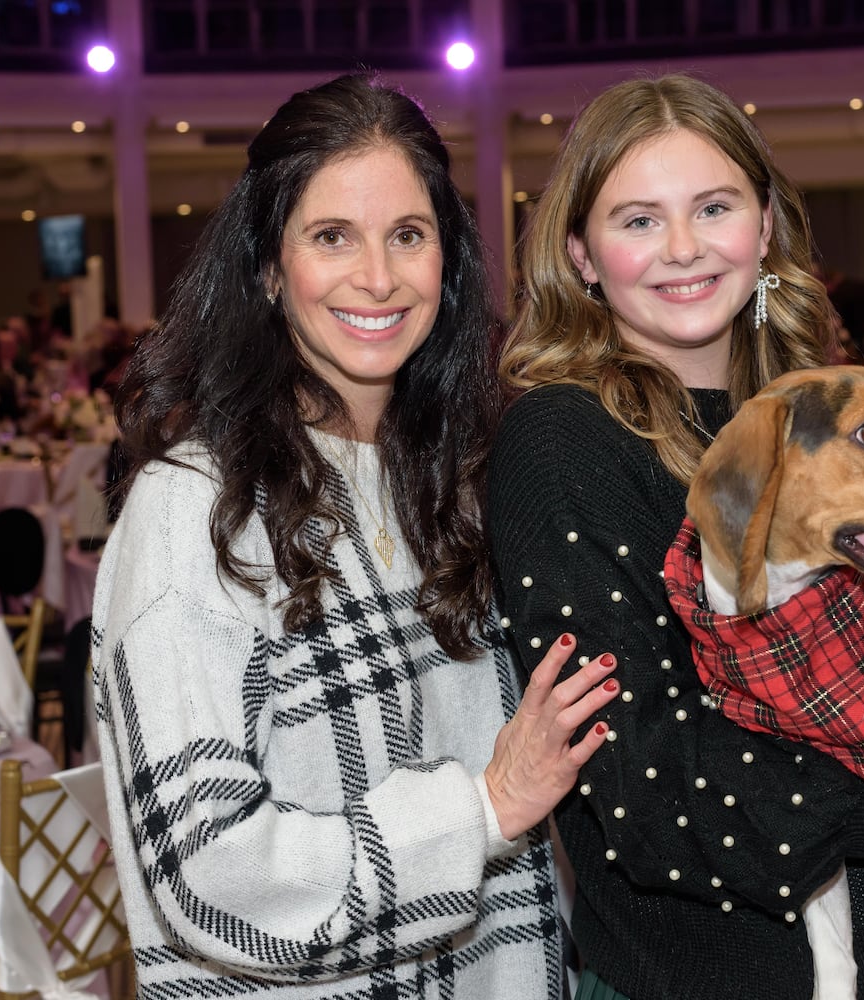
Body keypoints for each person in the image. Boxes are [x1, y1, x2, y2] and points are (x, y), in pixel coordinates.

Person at [490, 74, 864, 1000]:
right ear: (580, 252)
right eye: (639, 219)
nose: (684, 248)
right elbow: (645, 789)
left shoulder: (829, 418)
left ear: (764, 227)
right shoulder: (566, 442)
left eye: (715, 207)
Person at [91, 74, 618, 999]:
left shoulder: (470, 476)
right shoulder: (196, 508)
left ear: (447, 262)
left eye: (408, 236)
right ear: (267, 265)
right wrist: (483, 808)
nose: (377, 278)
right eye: (332, 236)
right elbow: (206, 872)